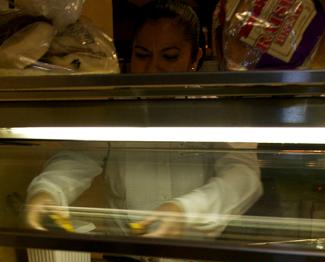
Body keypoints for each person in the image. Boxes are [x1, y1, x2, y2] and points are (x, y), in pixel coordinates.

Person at [24, 0, 262, 239]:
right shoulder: (117, 109)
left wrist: (186, 210)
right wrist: (49, 192)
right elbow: (79, 156)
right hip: (128, 259)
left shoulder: (214, 109)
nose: (152, 68)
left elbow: (244, 176)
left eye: (169, 57)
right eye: (142, 55)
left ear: (194, 59)